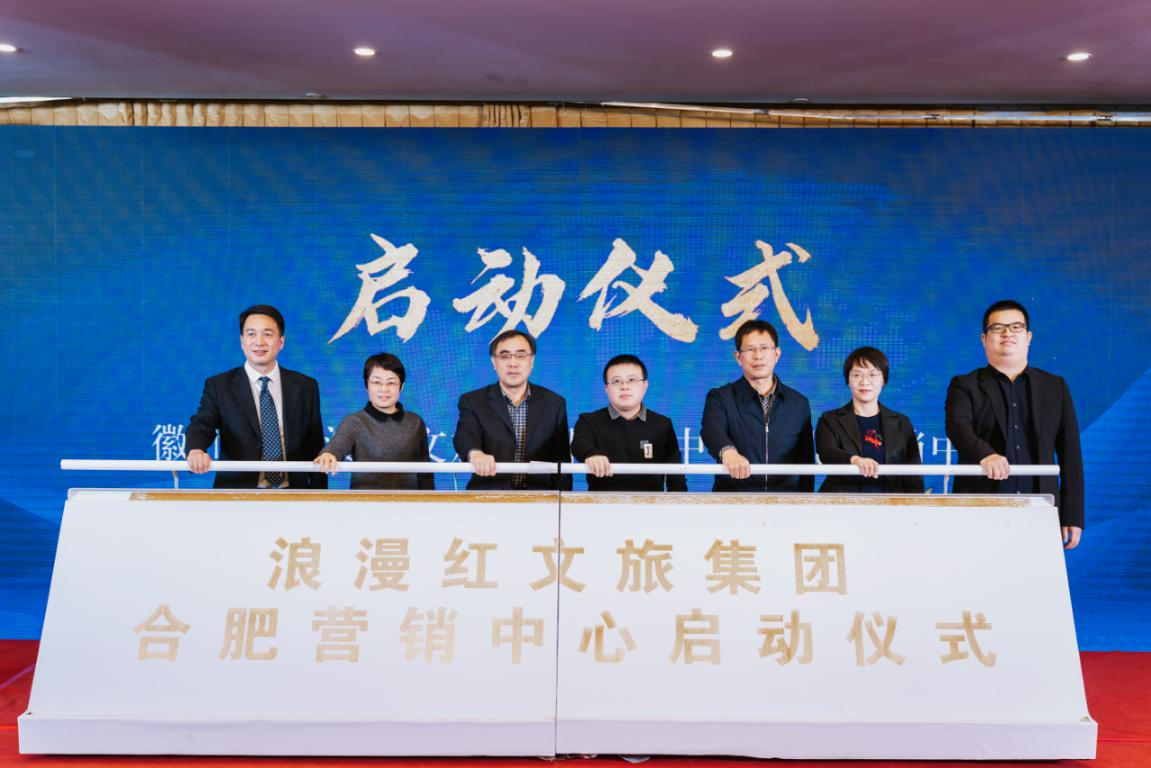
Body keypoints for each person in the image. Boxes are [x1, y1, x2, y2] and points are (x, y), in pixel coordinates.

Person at [945, 299, 1084, 549]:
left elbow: (1070, 453)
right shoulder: (965, 385)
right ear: (984, 339)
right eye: (997, 328)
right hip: (981, 505)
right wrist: (985, 455)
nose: (1007, 333)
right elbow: (957, 427)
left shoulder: (1055, 387)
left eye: (1016, 327)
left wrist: (1072, 514)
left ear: (1028, 337)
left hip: (1041, 507)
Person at [186, 305, 327, 489]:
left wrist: (320, 495)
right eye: (251, 334)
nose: (259, 342)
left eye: (267, 334)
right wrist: (196, 449)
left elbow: (315, 444)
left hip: (294, 493)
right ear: (242, 341)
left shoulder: (305, 386)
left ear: (281, 341)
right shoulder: (220, 385)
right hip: (239, 493)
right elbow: (203, 423)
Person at [701, 319, 814, 492]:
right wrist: (728, 452)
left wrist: (807, 500)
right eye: (750, 349)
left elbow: (806, 461)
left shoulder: (798, 403)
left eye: (764, 348)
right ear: (738, 357)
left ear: (777, 354)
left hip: (785, 500)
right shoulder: (721, 398)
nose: (758, 356)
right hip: (733, 500)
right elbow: (712, 430)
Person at [453, 329, 572, 490]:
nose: (513, 363)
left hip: (539, 497)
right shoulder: (473, 401)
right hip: (489, 494)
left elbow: (561, 460)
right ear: (494, 362)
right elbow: (465, 434)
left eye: (521, 356)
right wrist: (475, 453)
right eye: (505, 357)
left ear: (532, 361)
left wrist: (564, 499)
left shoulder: (554, 403)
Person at [313, 353, 434, 490]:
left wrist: (431, 499)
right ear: (367, 385)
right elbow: (338, 445)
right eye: (376, 382)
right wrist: (328, 454)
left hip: (410, 501)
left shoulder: (415, 422)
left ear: (401, 386)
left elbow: (426, 472)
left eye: (391, 383)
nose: (384, 389)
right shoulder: (355, 421)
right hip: (365, 501)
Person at [570, 354, 687, 493]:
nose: (624, 386)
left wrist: (679, 503)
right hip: (602, 503)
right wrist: (591, 454)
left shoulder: (662, 424)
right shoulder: (589, 421)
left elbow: (676, 478)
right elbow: (579, 444)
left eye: (632, 380)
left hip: (651, 503)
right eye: (616, 381)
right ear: (606, 388)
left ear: (645, 385)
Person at [815, 347, 924, 493]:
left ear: (883, 379)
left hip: (890, 502)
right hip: (842, 502)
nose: (864, 382)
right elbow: (827, 452)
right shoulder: (830, 420)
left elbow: (913, 474)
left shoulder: (901, 423)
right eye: (857, 375)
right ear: (848, 380)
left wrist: (916, 504)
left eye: (873, 374)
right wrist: (855, 460)